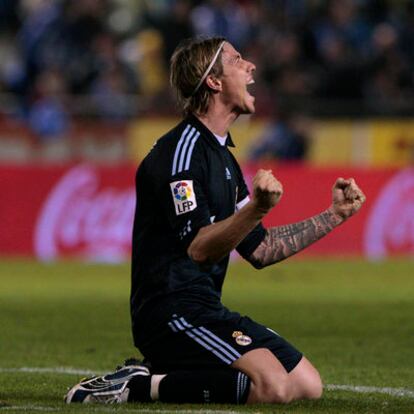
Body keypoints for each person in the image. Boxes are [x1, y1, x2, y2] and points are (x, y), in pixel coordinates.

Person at [65, 36, 366, 405]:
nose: (250, 66)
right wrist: (256, 207)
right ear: (214, 81)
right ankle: (136, 386)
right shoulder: (182, 152)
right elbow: (199, 249)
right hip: (172, 313)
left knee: (306, 385)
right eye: (238, 59)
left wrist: (334, 215)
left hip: (207, 309)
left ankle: (159, 375)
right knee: (273, 387)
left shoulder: (223, 158)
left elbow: (261, 248)